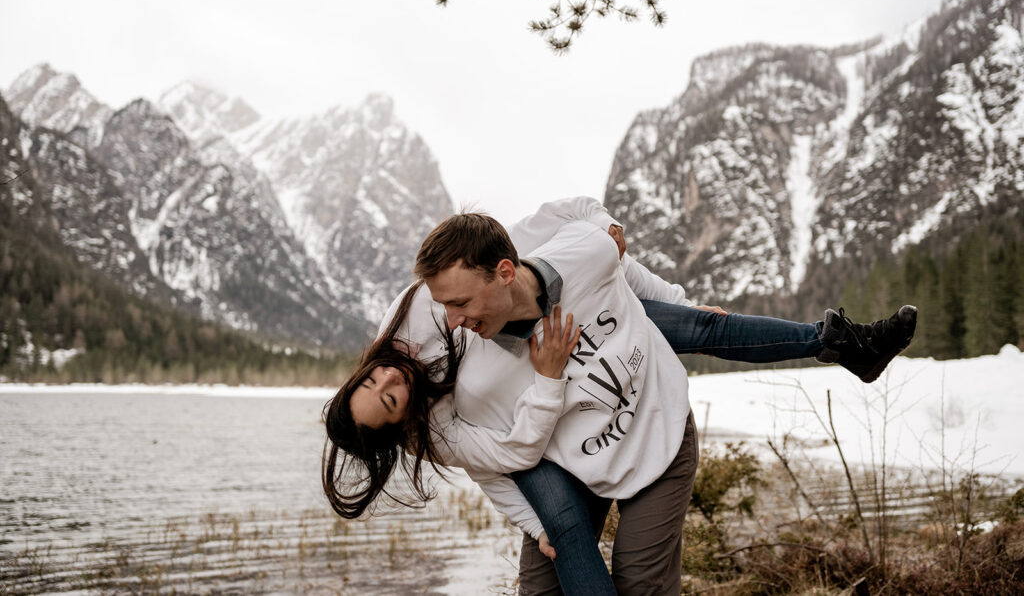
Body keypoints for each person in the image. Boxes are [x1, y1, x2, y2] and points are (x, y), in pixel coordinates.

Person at [322, 197, 917, 593]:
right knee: (557, 548)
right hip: (550, 434)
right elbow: (503, 465)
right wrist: (537, 524)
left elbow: (584, 240)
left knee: (702, 326)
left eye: (375, 378)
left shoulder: (423, 302)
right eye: (390, 401)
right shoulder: (447, 420)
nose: (392, 380)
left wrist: (672, 295)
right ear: (404, 427)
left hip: (584, 345)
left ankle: (843, 343)